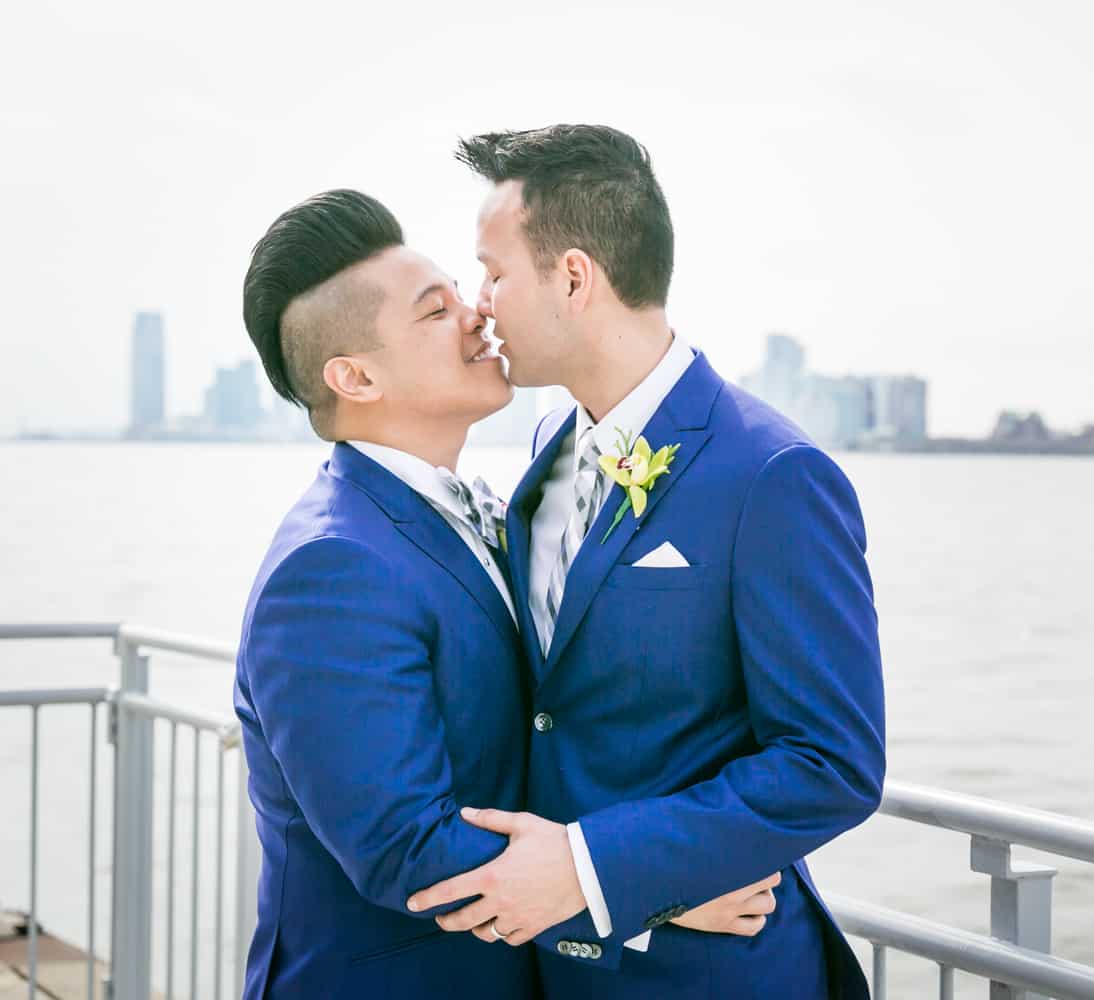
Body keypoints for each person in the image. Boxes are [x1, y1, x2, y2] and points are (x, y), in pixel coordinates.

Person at [235, 188, 772, 999]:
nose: (478, 315)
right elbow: (406, 849)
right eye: (434, 311)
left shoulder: (479, 507)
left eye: (466, 290)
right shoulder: (332, 568)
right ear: (355, 375)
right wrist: (649, 892)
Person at [405, 125, 887, 999]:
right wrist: (639, 897)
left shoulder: (771, 476)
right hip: (560, 967)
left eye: (496, 272)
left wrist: (599, 868)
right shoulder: (548, 449)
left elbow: (832, 763)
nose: (481, 304)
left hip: (714, 980)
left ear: (576, 279)